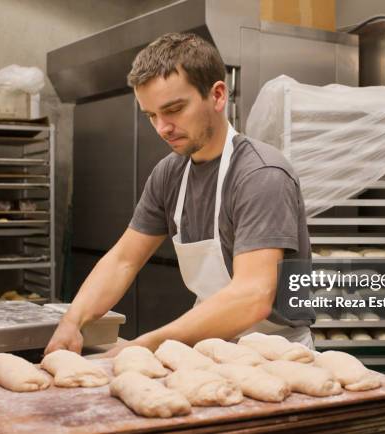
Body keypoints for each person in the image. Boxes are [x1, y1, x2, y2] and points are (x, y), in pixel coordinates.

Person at [45, 32, 314, 358]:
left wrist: (150, 343)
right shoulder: (169, 174)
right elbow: (123, 260)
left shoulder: (260, 175)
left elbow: (253, 294)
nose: (162, 128)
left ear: (217, 95)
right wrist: (73, 320)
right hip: (209, 345)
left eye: (173, 110)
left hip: (278, 354)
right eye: (151, 116)